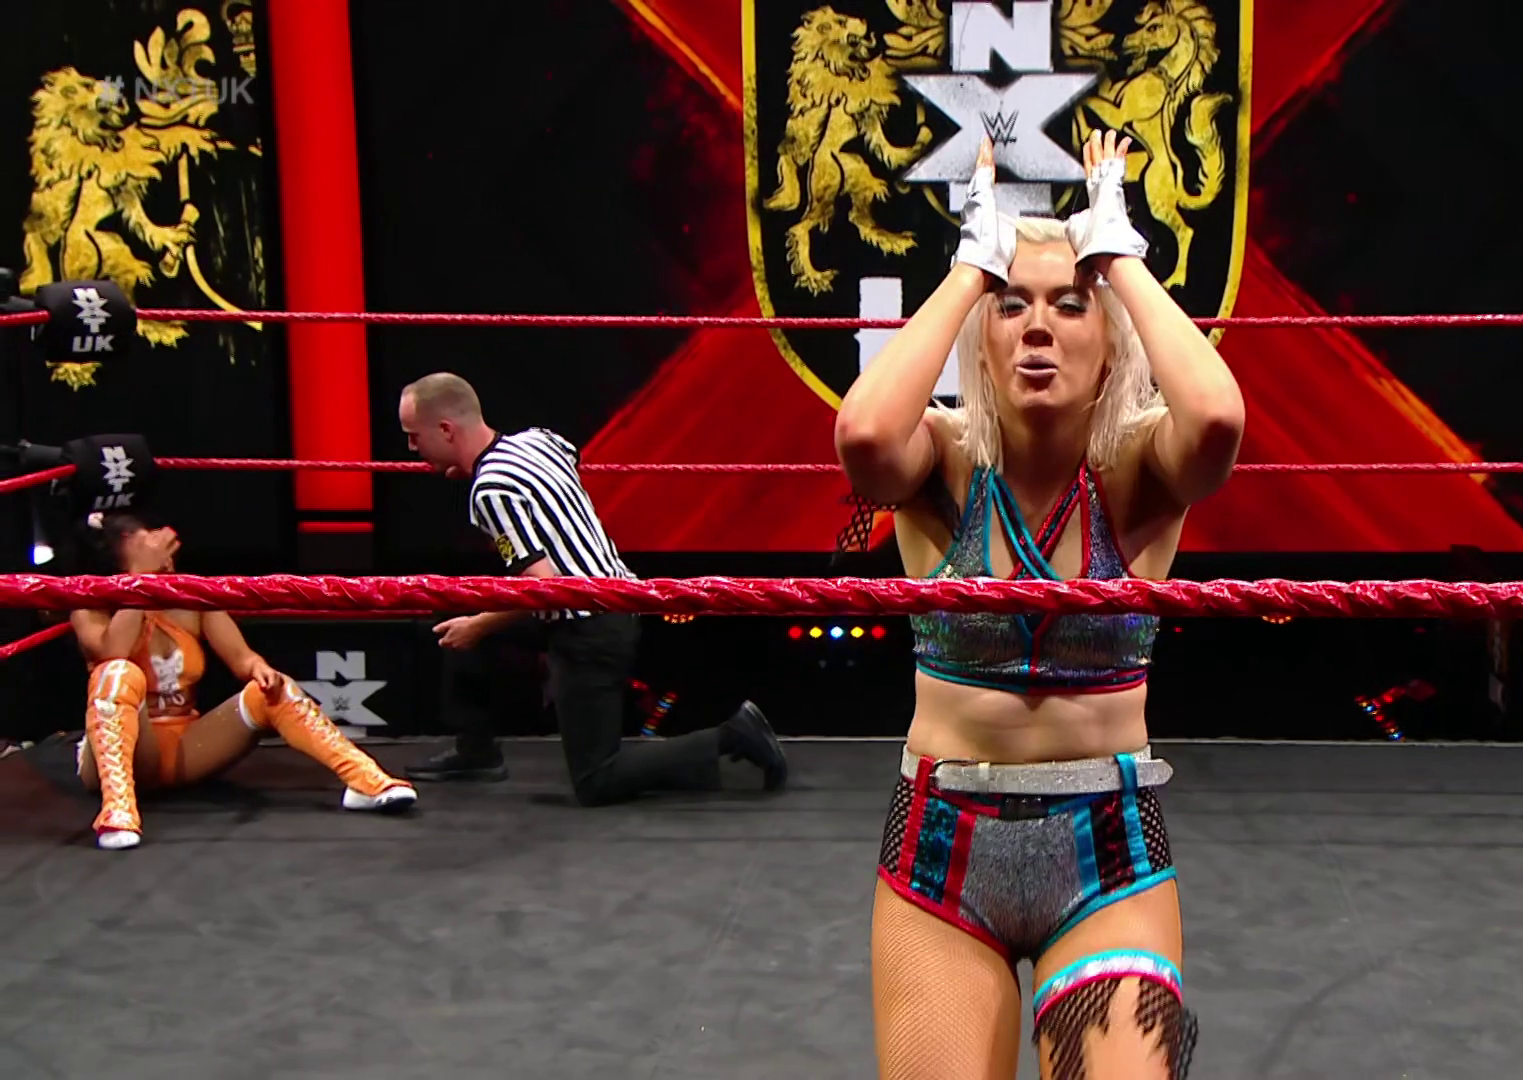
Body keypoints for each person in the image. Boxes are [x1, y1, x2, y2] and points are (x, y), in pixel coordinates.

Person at [833, 132, 1245, 1079]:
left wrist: (1119, 254)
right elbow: (863, 436)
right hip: (943, 848)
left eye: (1069, 303)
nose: (1037, 327)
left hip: (1108, 852)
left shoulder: (1138, 473)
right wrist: (968, 270)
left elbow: (1219, 418)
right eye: (1011, 304)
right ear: (982, 336)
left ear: (1110, 341)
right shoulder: (941, 463)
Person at [396, 372, 788, 804]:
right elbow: (570, 455)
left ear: (446, 430)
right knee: (454, 611)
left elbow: (544, 588)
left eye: (415, 436)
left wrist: (479, 626)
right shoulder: (538, 441)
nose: (411, 448)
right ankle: (476, 751)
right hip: (618, 597)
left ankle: (733, 735)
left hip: (588, 626)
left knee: (596, 779)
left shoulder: (491, 491)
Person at [72, 512, 419, 851]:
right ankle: (117, 811)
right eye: (149, 549)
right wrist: (141, 581)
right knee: (117, 673)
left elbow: (243, 659)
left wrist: (259, 668)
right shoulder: (88, 606)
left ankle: (364, 780)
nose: (165, 558)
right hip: (125, 752)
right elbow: (112, 654)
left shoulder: (189, 597)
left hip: (184, 749)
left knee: (272, 688)